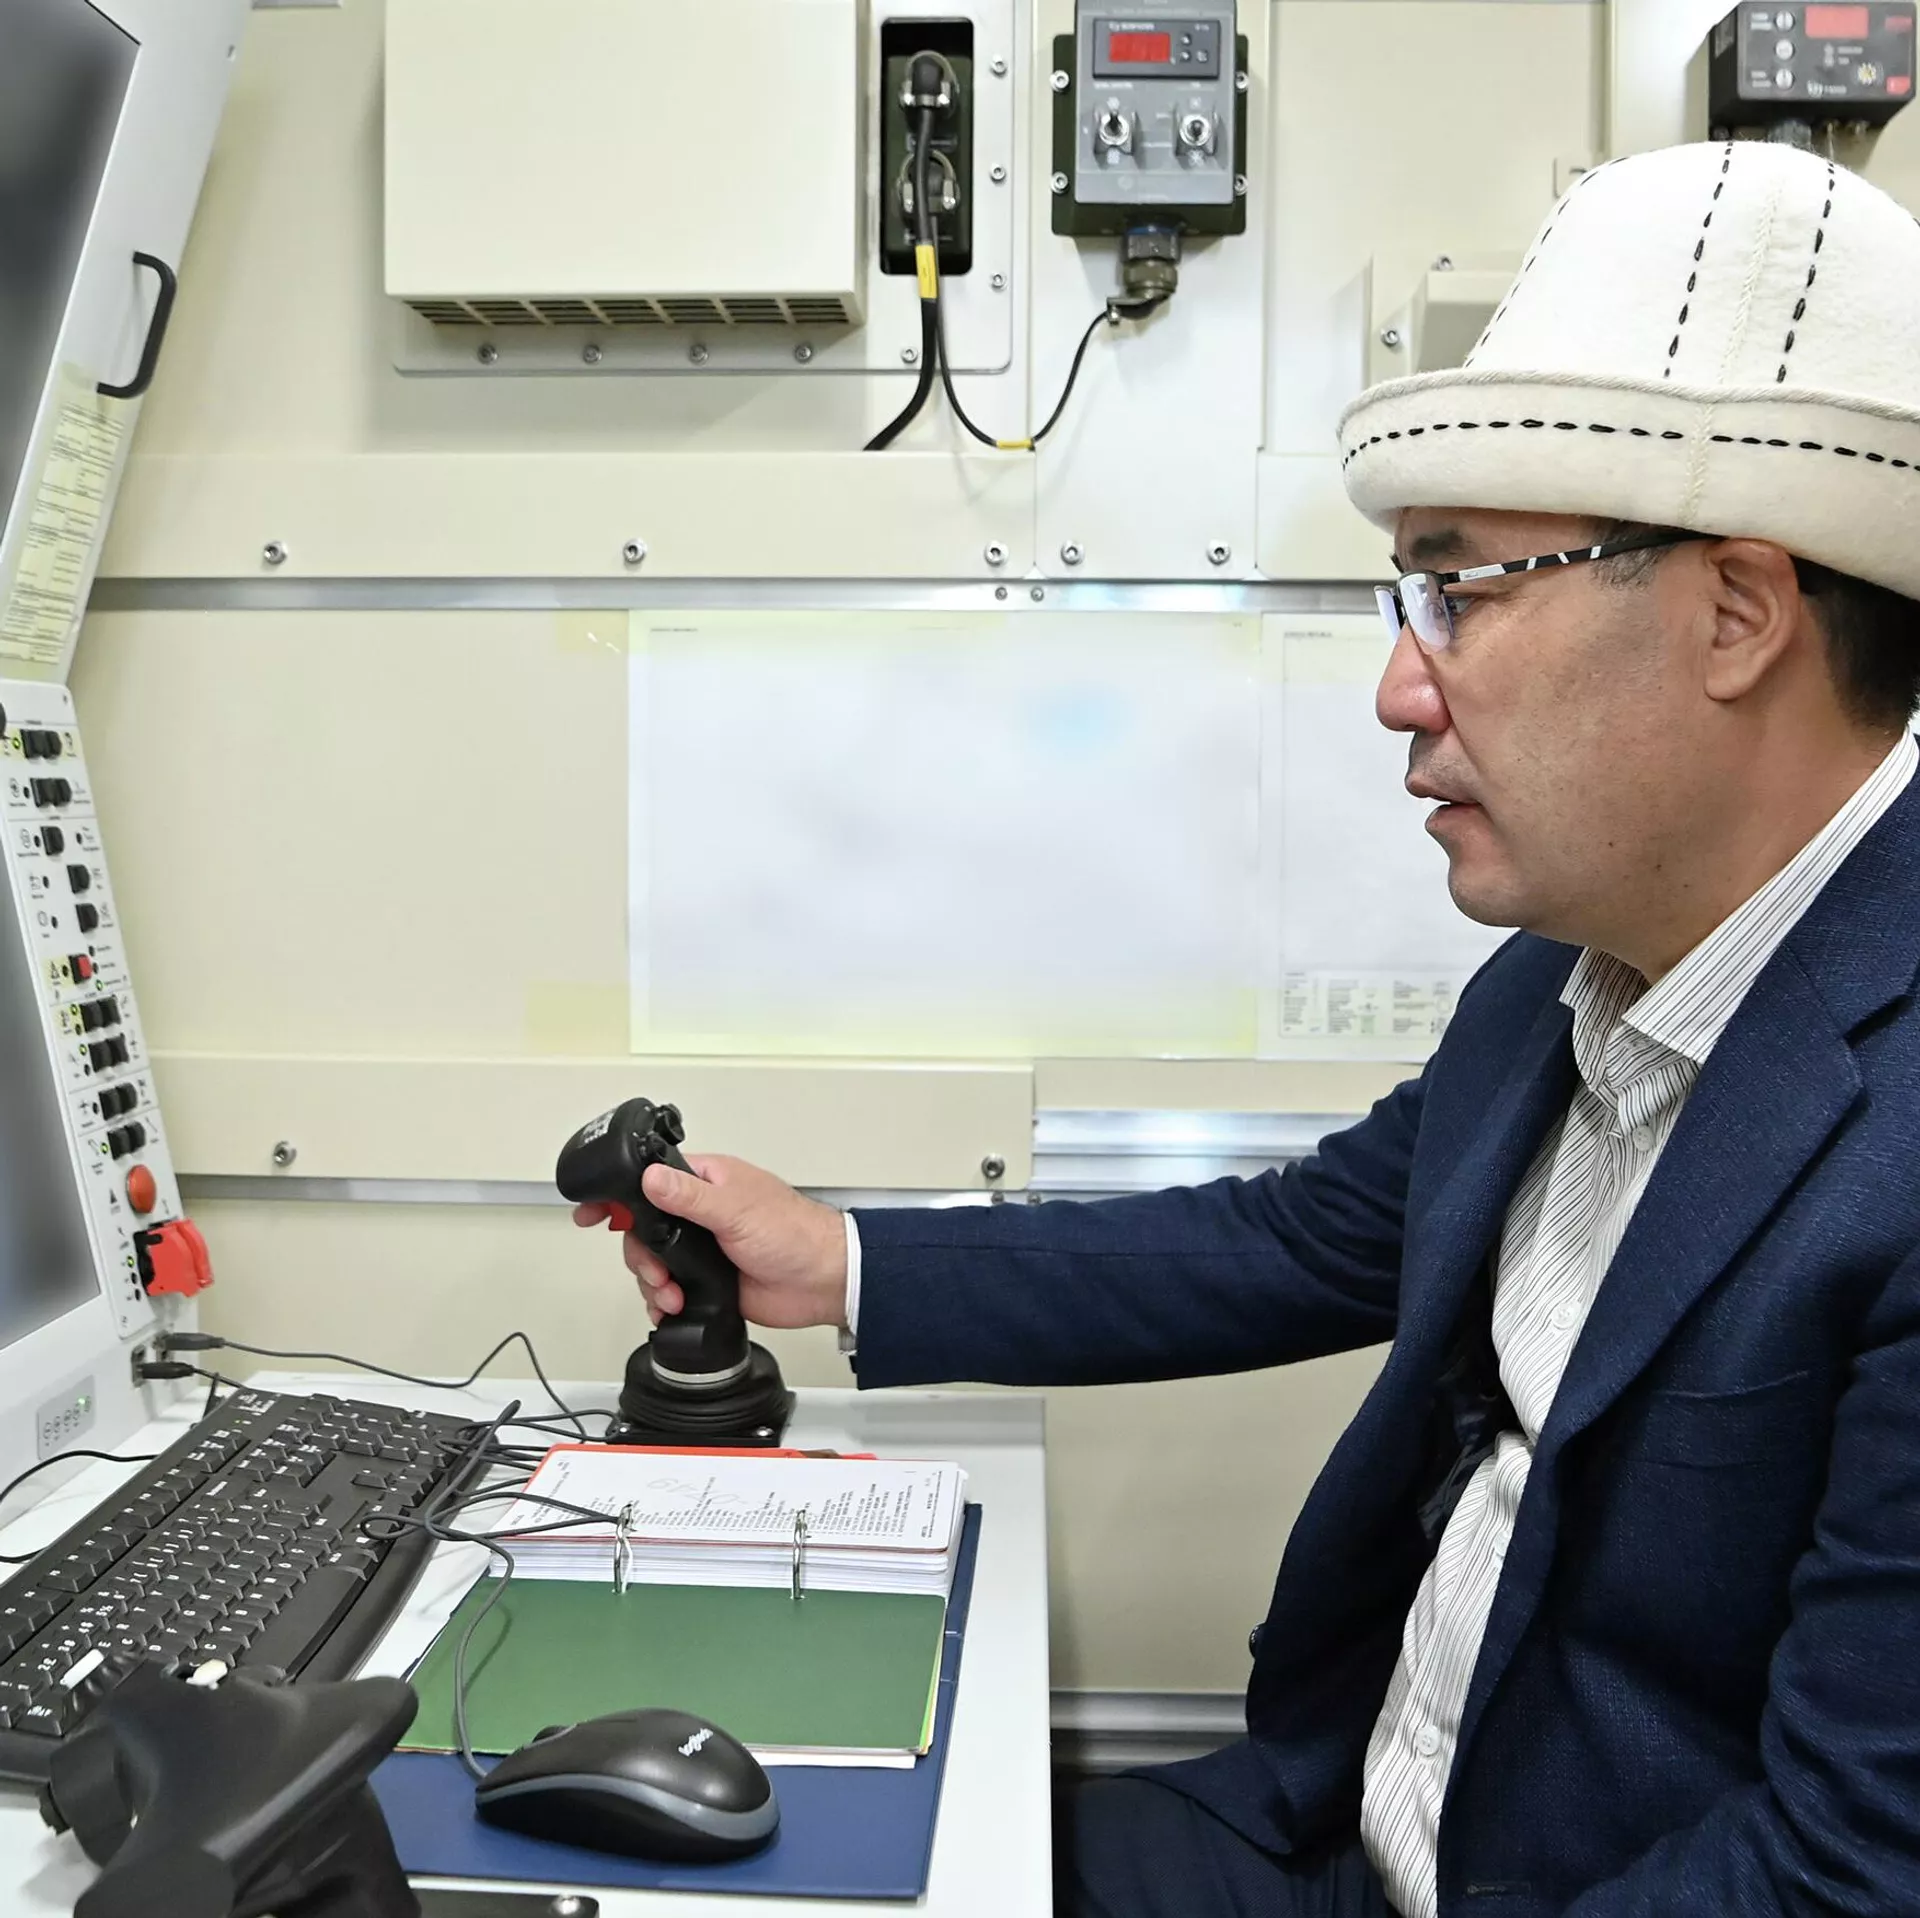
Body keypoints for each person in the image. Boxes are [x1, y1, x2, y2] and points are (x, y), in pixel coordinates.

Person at [575, 142, 1920, 1915]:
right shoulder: (1575, 971)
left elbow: (1846, 1874)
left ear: (1738, 611)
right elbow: (1299, 1238)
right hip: (1326, 1833)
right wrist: (837, 1259)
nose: (1398, 685)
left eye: (1461, 592)